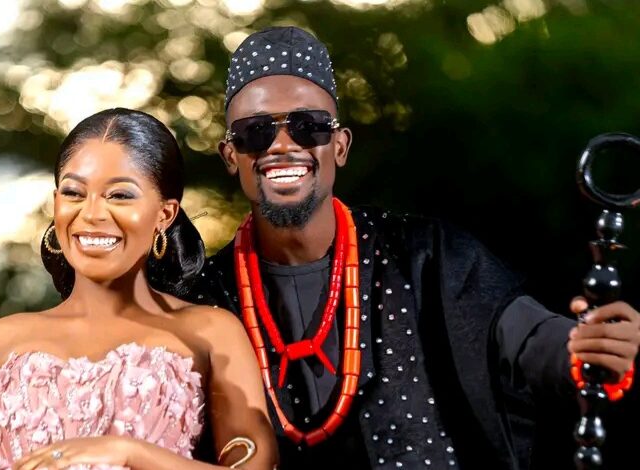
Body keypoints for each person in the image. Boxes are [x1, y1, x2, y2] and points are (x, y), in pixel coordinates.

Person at [188, 26, 640, 469]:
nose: (283, 145)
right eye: (255, 131)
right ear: (230, 155)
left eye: (310, 127)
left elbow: (526, 337)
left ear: (340, 146)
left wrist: (588, 347)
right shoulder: (204, 296)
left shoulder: (426, 254)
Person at [0, 108, 278, 470]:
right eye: (74, 192)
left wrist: (128, 452)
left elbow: (256, 466)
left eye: (119, 195)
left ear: (165, 214)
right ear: (56, 202)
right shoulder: (3, 340)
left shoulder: (211, 332)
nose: (92, 214)